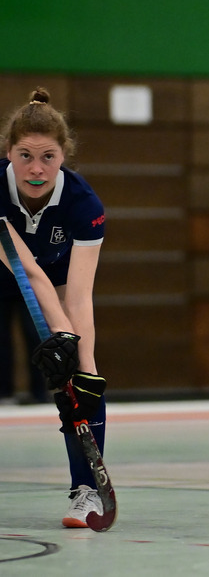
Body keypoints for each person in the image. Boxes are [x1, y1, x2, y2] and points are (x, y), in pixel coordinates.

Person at [1, 88, 108, 528]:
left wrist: (78, 355)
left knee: (84, 378)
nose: (36, 169)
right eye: (24, 156)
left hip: (60, 281)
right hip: (11, 268)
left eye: (48, 156)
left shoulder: (85, 205)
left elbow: (77, 295)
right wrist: (61, 335)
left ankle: (87, 492)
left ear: (64, 155)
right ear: (8, 152)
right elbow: (27, 271)